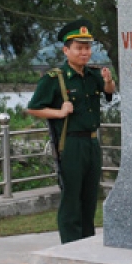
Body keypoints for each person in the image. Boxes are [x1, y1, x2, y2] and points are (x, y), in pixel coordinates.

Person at [27, 19, 116, 243]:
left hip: (92, 142)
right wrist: (59, 112)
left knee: (89, 196)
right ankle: (70, 245)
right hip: (71, 144)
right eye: (79, 48)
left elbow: (108, 93)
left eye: (87, 48)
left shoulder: (93, 75)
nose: (84, 52)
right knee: (71, 198)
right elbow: (34, 108)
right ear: (66, 50)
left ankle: (86, 242)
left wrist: (108, 81)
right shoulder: (54, 78)